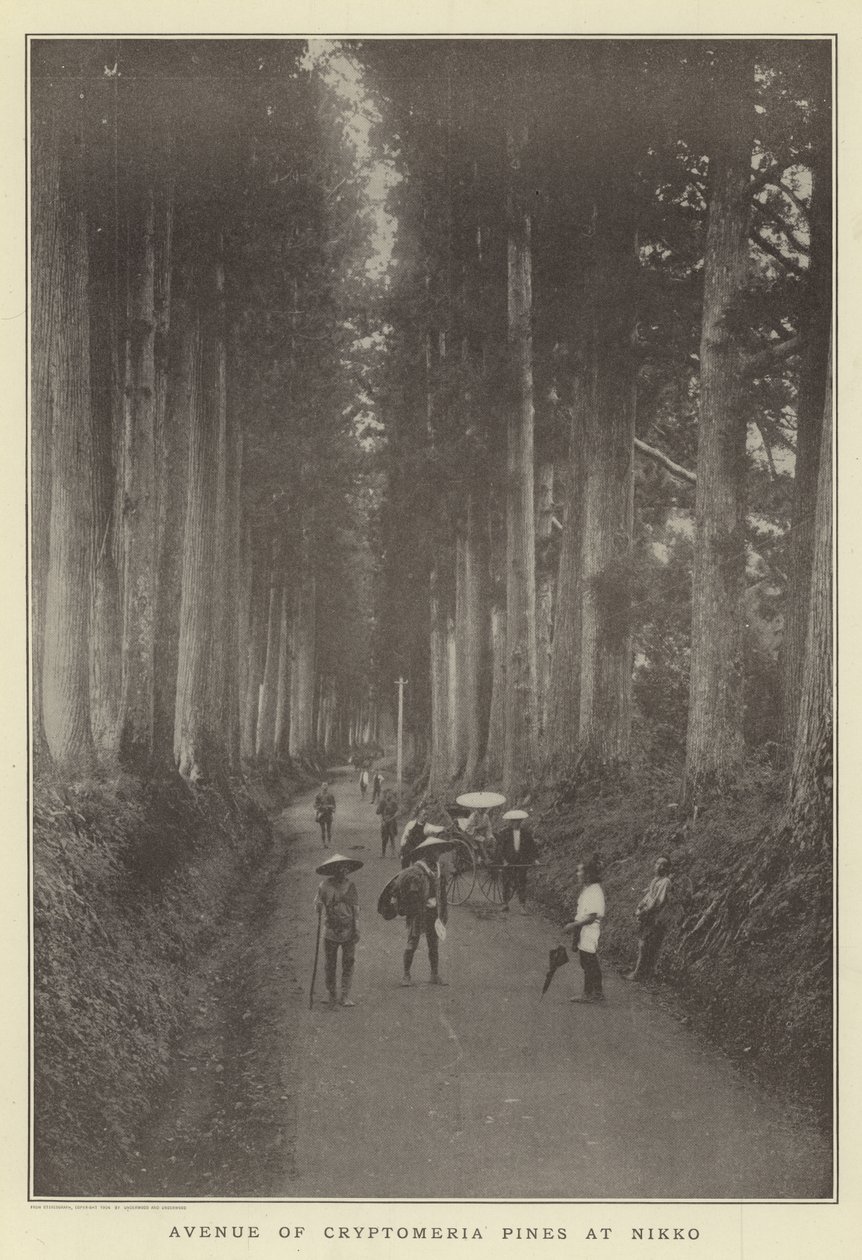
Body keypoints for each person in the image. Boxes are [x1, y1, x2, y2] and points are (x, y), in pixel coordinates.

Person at [398, 835, 450, 987]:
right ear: (427, 852)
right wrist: (414, 909)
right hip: (419, 912)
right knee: (412, 943)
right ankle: (406, 974)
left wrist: (444, 911)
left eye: (439, 851)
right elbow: (412, 893)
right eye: (435, 851)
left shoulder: (439, 868)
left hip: (435, 911)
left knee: (433, 944)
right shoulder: (417, 870)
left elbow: (442, 891)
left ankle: (434, 974)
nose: (438, 854)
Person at [313, 854, 362, 1007]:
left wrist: (357, 929)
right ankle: (330, 992)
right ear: (334, 870)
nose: (343, 871)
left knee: (348, 962)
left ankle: (345, 994)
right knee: (330, 963)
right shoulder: (324, 886)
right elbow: (317, 904)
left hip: (348, 929)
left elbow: (355, 909)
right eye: (340, 868)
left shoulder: (351, 886)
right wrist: (319, 905)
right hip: (331, 930)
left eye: (345, 868)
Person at [624, 856, 673, 982]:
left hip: (655, 918)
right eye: (657, 863)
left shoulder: (665, 882)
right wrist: (640, 907)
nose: (658, 866)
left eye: (662, 864)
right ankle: (641, 971)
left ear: (666, 868)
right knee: (644, 944)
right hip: (648, 916)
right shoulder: (656, 880)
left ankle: (638, 974)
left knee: (644, 944)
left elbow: (658, 901)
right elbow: (649, 896)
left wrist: (645, 911)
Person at [564, 856, 606, 1003]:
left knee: (589, 961)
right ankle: (595, 992)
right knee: (587, 961)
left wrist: (573, 925)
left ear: (588, 874)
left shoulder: (594, 891)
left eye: (580, 871)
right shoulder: (588, 889)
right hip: (584, 929)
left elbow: (591, 917)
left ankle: (591, 993)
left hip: (589, 930)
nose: (578, 874)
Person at [496, 809, 539, 914]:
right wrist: (504, 861)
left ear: (521, 821)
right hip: (509, 862)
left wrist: (534, 859)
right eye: (514, 821)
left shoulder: (526, 833)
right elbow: (499, 849)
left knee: (522, 883)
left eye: (518, 821)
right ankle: (505, 904)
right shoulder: (505, 833)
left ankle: (522, 906)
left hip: (521, 861)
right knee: (506, 882)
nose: (516, 823)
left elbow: (532, 848)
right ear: (511, 822)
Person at [376, 788, 399, 858]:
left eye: (390, 794)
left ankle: (393, 854)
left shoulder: (394, 803)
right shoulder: (382, 803)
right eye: (388, 794)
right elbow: (378, 813)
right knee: (384, 838)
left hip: (392, 823)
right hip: (385, 823)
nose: (389, 795)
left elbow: (397, 812)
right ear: (385, 795)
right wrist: (382, 821)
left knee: (392, 837)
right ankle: (383, 854)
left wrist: (395, 816)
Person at [314, 781, 336, 847]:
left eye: (326, 786)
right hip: (321, 814)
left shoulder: (330, 795)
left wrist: (329, 807)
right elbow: (315, 805)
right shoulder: (318, 795)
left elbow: (334, 805)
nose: (324, 787)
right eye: (323, 785)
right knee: (323, 830)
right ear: (321, 787)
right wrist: (319, 808)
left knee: (329, 829)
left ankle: (329, 843)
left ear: (328, 787)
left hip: (328, 813)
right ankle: (324, 843)